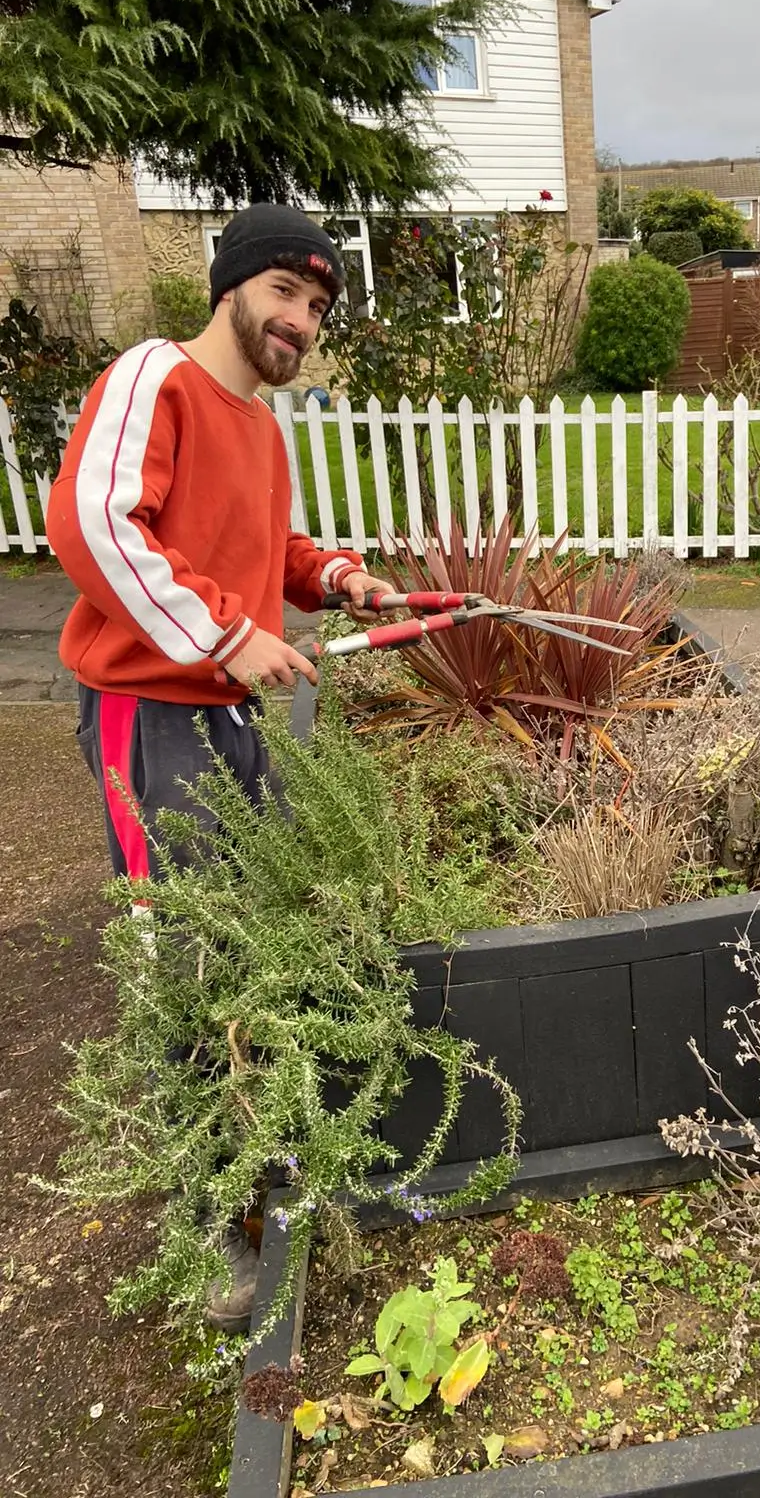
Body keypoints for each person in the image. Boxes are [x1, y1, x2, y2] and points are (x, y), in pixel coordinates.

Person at [46, 203, 395, 1329]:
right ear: (233, 285)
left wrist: (334, 575)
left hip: (226, 715)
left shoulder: (259, 426)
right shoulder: (157, 376)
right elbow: (94, 523)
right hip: (149, 713)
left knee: (245, 937)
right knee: (181, 962)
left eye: (319, 306)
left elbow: (257, 552)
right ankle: (203, 1229)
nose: (301, 320)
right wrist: (220, 633)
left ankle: (251, 1155)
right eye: (286, 293)